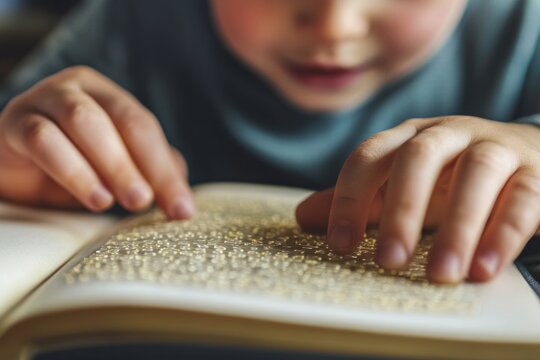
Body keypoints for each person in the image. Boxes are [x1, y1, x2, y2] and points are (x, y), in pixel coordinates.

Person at [0, 0, 539, 285]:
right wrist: (13, 168)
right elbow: (22, 129)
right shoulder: (138, 15)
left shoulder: (523, 25)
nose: (335, 24)